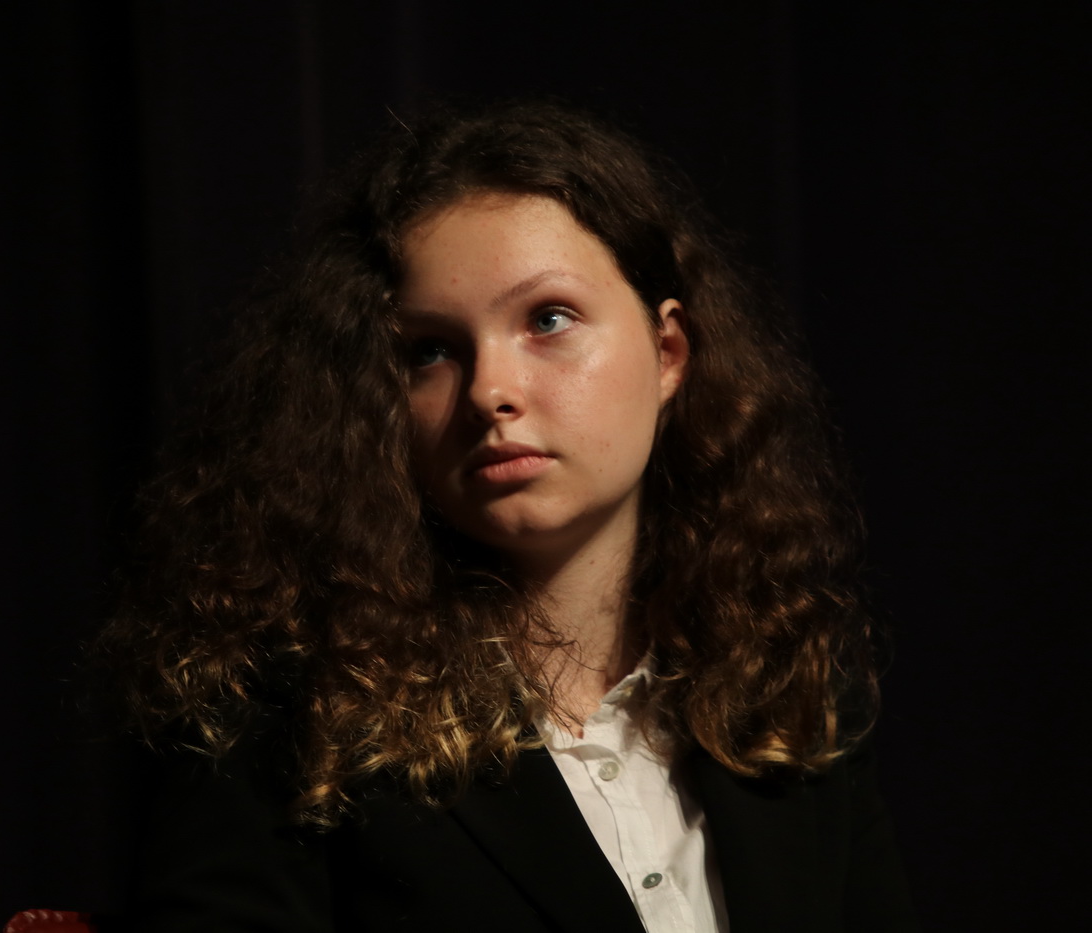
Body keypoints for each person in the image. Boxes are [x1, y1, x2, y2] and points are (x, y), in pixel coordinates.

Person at [99, 100, 920, 933]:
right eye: (430, 350)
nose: (490, 389)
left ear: (668, 351)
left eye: (548, 319)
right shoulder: (279, 718)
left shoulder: (789, 686)